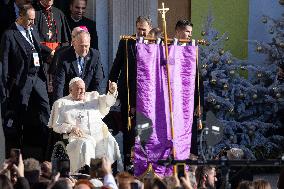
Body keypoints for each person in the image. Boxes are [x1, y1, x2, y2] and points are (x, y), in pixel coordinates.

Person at [0, 4, 52, 154]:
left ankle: (46, 149)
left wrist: (53, 52)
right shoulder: (9, 35)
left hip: (37, 77)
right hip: (22, 80)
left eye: (33, 20)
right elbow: (4, 64)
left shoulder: (33, 29)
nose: (32, 23)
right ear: (20, 17)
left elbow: (38, 47)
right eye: (29, 19)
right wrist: (4, 90)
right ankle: (17, 151)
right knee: (20, 113)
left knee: (45, 109)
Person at [48, 77, 121, 173]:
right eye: (78, 89)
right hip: (80, 137)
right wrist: (71, 128)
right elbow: (57, 126)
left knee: (110, 141)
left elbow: (108, 102)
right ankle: (87, 172)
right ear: (70, 90)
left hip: (99, 133)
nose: (82, 91)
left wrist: (111, 92)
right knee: (86, 144)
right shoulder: (61, 103)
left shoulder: (93, 96)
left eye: (83, 88)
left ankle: (109, 172)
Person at [108, 15, 152, 169]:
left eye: (144, 30)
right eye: (139, 29)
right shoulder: (126, 42)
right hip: (128, 93)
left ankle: (146, 164)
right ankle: (129, 164)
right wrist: (111, 86)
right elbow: (117, 65)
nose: (141, 32)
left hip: (147, 96)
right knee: (129, 132)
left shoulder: (155, 44)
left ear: (150, 29)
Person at [53, 30, 104, 101]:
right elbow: (59, 84)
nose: (84, 49)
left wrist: (97, 102)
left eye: (86, 46)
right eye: (81, 46)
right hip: (69, 99)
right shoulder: (63, 56)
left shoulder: (95, 55)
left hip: (88, 98)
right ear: (74, 43)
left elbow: (98, 81)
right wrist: (59, 104)